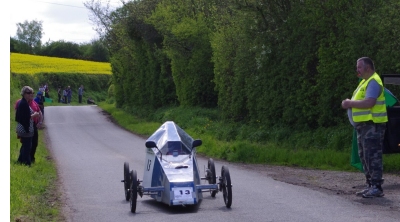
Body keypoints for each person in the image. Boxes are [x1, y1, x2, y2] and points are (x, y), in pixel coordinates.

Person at [341, 57, 387, 198]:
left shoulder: (373, 81)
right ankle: (370, 185)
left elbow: (369, 102)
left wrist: (350, 103)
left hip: (372, 125)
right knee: (364, 156)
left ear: (367, 67)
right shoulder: (365, 82)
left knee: (373, 157)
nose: (357, 70)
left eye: (359, 67)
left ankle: (376, 187)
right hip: (364, 127)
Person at [15, 92, 43, 164]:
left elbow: (40, 112)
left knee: (32, 143)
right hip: (25, 127)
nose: (31, 94)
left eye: (32, 93)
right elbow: (22, 116)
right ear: (24, 94)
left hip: (32, 125)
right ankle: (26, 162)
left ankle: (24, 160)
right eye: (29, 93)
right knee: (27, 145)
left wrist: (40, 122)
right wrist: (34, 115)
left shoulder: (33, 102)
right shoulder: (22, 103)